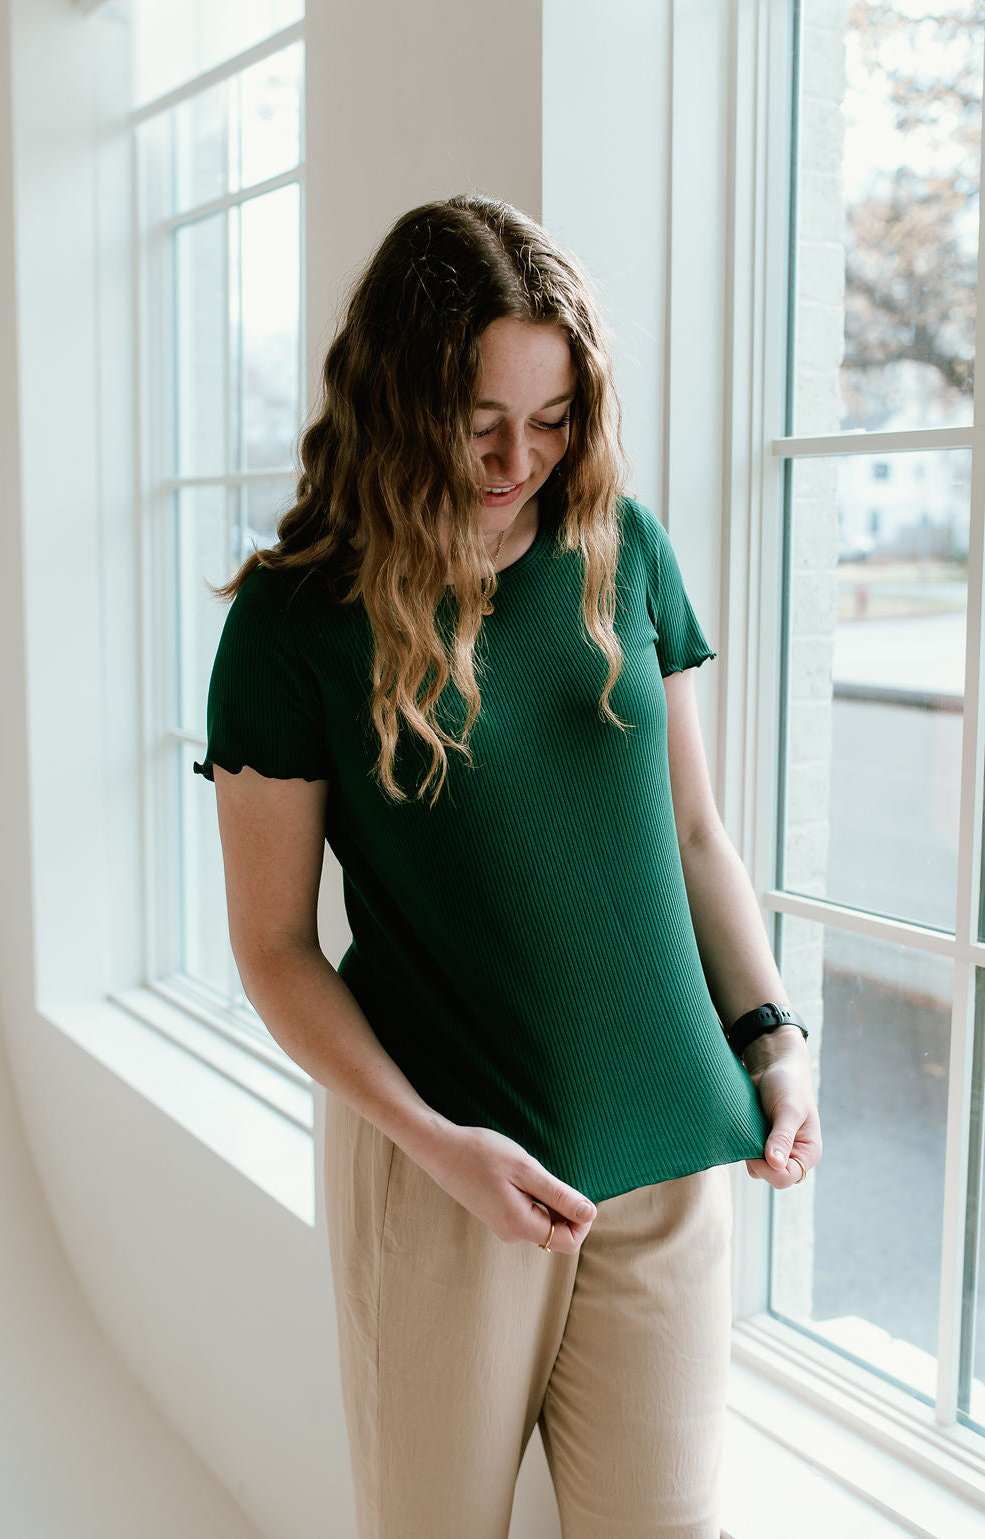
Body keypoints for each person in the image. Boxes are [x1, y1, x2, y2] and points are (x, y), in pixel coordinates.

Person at [194, 193, 821, 1539]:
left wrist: (771, 1033)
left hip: (664, 1158)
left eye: (552, 422)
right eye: (479, 423)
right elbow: (274, 947)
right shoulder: (296, 622)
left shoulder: (624, 551)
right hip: (448, 1174)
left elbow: (694, 838)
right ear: (394, 399)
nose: (517, 459)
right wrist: (435, 1146)